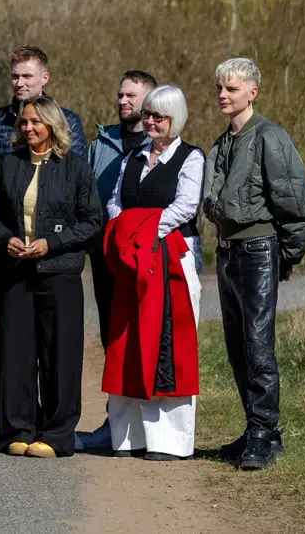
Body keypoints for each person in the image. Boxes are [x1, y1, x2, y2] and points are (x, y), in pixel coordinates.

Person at [202, 58, 305, 471]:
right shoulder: (222, 143)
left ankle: (264, 434)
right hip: (228, 252)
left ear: (252, 92)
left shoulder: (270, 137)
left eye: (231, 89)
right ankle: (259, 429)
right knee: (236, 347)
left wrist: (285, 256)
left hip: (258, 251)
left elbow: (298, 205)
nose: (222, 95)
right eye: (219, 88)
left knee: (257, 344)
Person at [0, 95, 102, 458]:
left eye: (35, 121)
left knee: (60, 355)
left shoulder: (77, 168)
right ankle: (16, 429)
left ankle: (56, 434)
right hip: (15, 271)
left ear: (52, 125)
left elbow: (92, 222)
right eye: (23, 122)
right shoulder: (5, 165)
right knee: (15, 354)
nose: (27, 127)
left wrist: (51, 244)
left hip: (60, 273)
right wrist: (5, 240)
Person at [102, 85, 204, 461]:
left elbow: (185, 207)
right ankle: (129, 438)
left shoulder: (191, 158)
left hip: (173, 260)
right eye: (147, 114)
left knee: (169, 345)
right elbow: (115, 202)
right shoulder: (132, 158)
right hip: (133, 261)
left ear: (174, 119)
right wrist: (130, 232)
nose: (149, 121)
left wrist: (140, 229)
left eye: (158, 116)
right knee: (128, 343)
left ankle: (171, 442)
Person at [79, 69, 156, 451]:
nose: (123, 100)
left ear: (151, 101)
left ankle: (151, 426)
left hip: (147, 260)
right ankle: (117, 424)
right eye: (120, 94)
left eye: (132, 95)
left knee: (149, 340)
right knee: (115, 339)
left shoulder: (165, 144)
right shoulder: (102, 143)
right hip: (107, 257)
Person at [0, 46, 88, 159]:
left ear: (45, 78)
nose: (19, 83)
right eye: (15, 76)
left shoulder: (68, 121)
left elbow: (77, 172)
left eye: (27, 76)